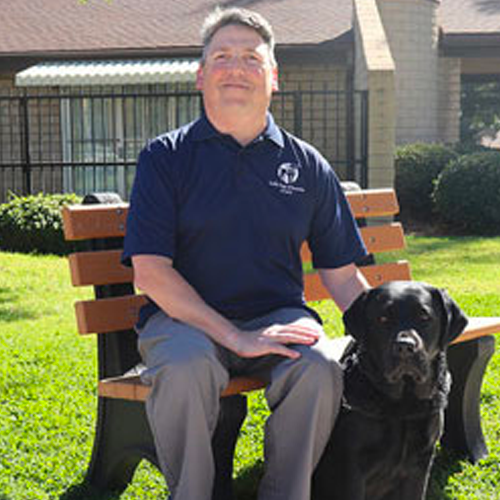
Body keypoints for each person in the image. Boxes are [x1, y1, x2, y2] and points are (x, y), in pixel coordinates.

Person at [122, 7, 370, 500]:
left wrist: (392, 333)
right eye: (221, 56)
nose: (236, 68)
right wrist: (236, 336)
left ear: (274, 77)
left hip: (277, 316)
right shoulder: (165, 158)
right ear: (201, 75)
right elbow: (151, 274)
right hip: (184, 323)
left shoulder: (307, 165)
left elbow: (342, 277)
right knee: (187, 366)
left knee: (319, 366)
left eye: (252, 58)